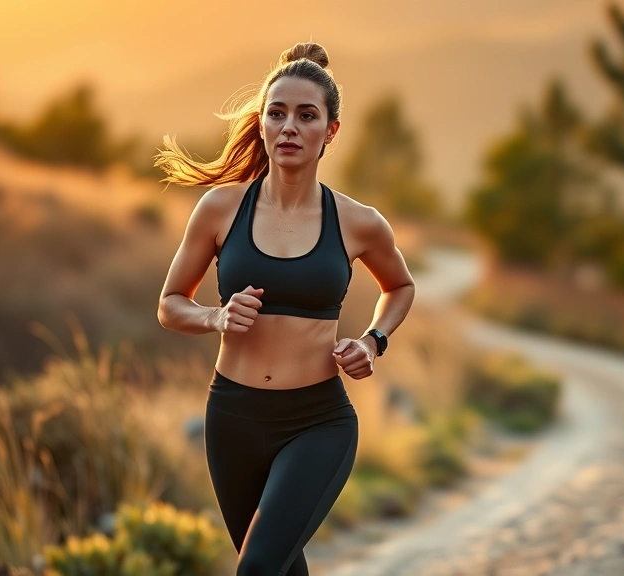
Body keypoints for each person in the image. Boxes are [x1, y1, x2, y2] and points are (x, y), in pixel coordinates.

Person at [155, 41, 415, 576]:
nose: (289, 127)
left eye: (306, 115)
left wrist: (373, 341)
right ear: (262, 123)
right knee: (279, 569)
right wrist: (215, 317)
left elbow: (400, 286)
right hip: (232, 418)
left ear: (331, 130)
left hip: (317, 421)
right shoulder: (220, 208)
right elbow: (169, 304)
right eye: (276, 113)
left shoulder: (359, 221)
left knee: (256, 569)